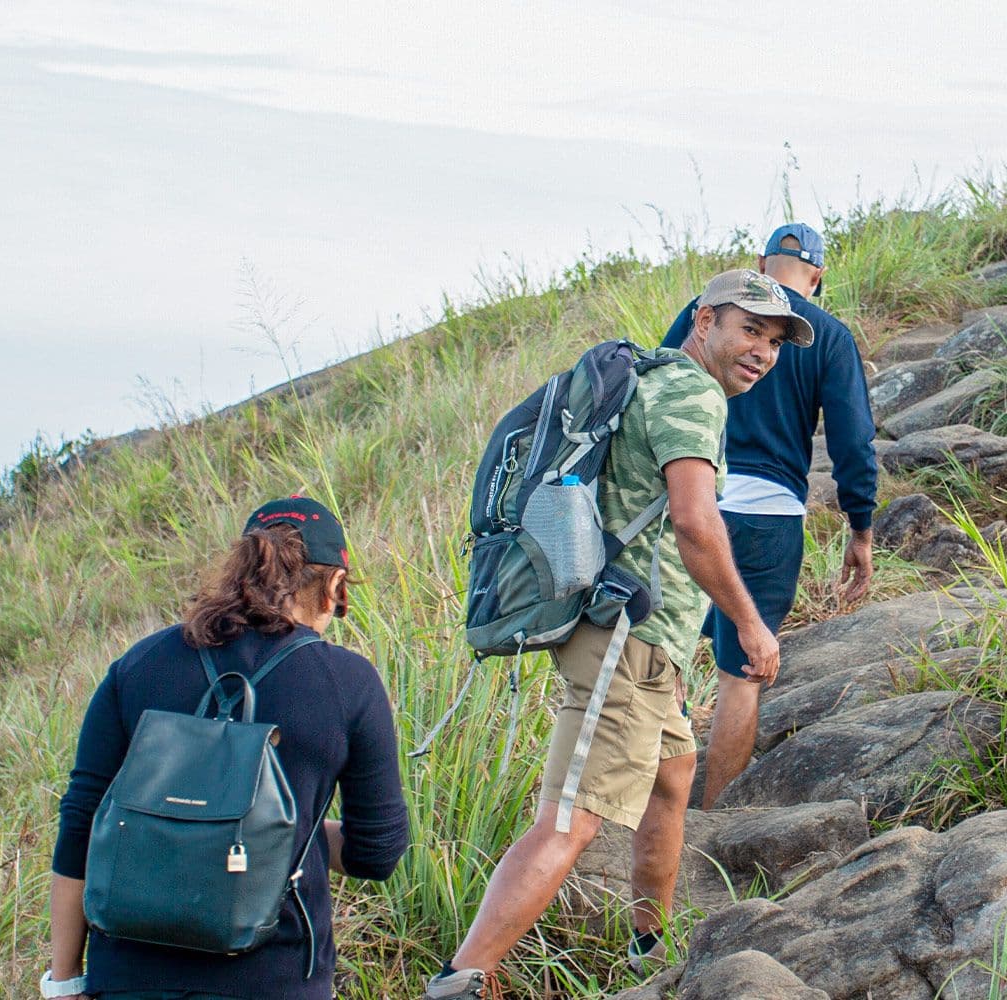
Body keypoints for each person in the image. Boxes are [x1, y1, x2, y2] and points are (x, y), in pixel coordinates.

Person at [427, 269, 811, 999]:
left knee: (672, 777)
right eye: (749, 330)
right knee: (569, 820)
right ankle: (460, 981)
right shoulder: (692, 394)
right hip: (622, 642)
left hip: (636, 639)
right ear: (705, 323)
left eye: (774, 340)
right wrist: (750, 624)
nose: (762, 351)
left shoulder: (657, 378)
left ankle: (647, 951)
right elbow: (697, 524)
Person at [43, 496, 409, 1000]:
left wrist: (64, 980)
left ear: (241, 568)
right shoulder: (349, 683)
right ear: (333, 587)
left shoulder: (140, 665)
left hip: (128, 978)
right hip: (276, 981)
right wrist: (278, 828)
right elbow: (377, 852)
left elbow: (82, 825)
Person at [659, 223, 879, 808]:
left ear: (761, 262)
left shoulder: (708, 313)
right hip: (769, 518)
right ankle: (711, 818)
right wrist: (861, 528)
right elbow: (854, 440)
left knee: (669, 656)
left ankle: (657, 805)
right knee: (741, 676)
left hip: (690, 495)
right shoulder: (828, 335)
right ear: (818, 276)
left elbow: (658, 384)